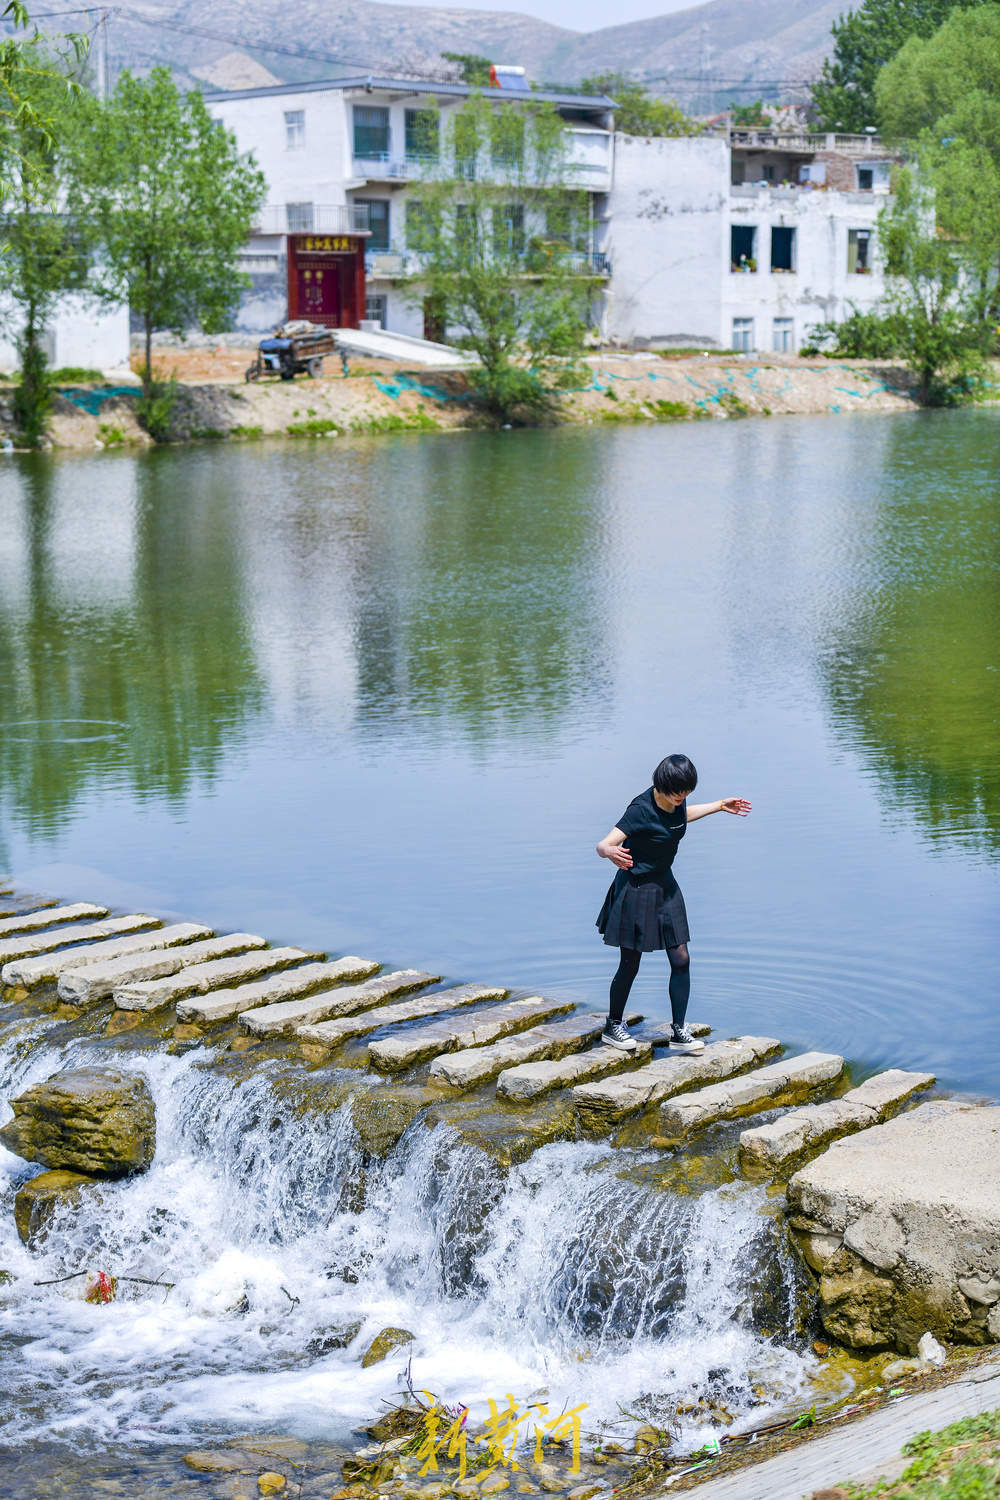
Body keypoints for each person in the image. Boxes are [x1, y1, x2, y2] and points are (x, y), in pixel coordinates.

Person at [595, 754, 751, 1053]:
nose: (681, 797)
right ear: (661, 785)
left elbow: (681, 815)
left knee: (681, 959)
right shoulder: (640, 809)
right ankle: (613, 1026)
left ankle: (679, 1031)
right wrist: (608, 851)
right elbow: (604, 843)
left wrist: (719, 806)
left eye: (686, 792)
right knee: (631, 963)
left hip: (666, 887)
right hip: (636, 890)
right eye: (676, 792)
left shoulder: (676, 804)